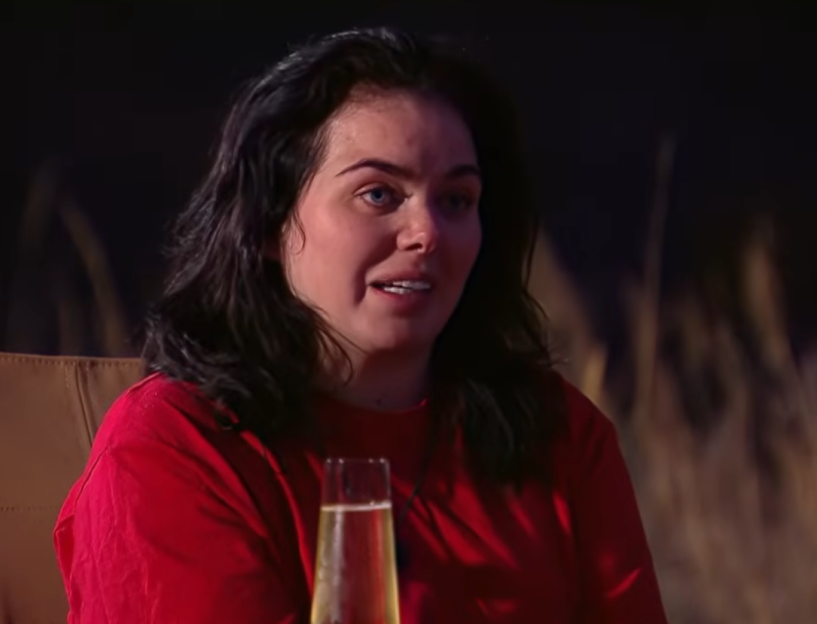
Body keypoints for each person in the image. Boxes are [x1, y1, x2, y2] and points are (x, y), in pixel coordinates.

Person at [53, 26, 668, 624]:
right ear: (269, 224)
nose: (427, 234)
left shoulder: (556, 433)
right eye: (378, 194)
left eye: (456, 200)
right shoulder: (178, 446)